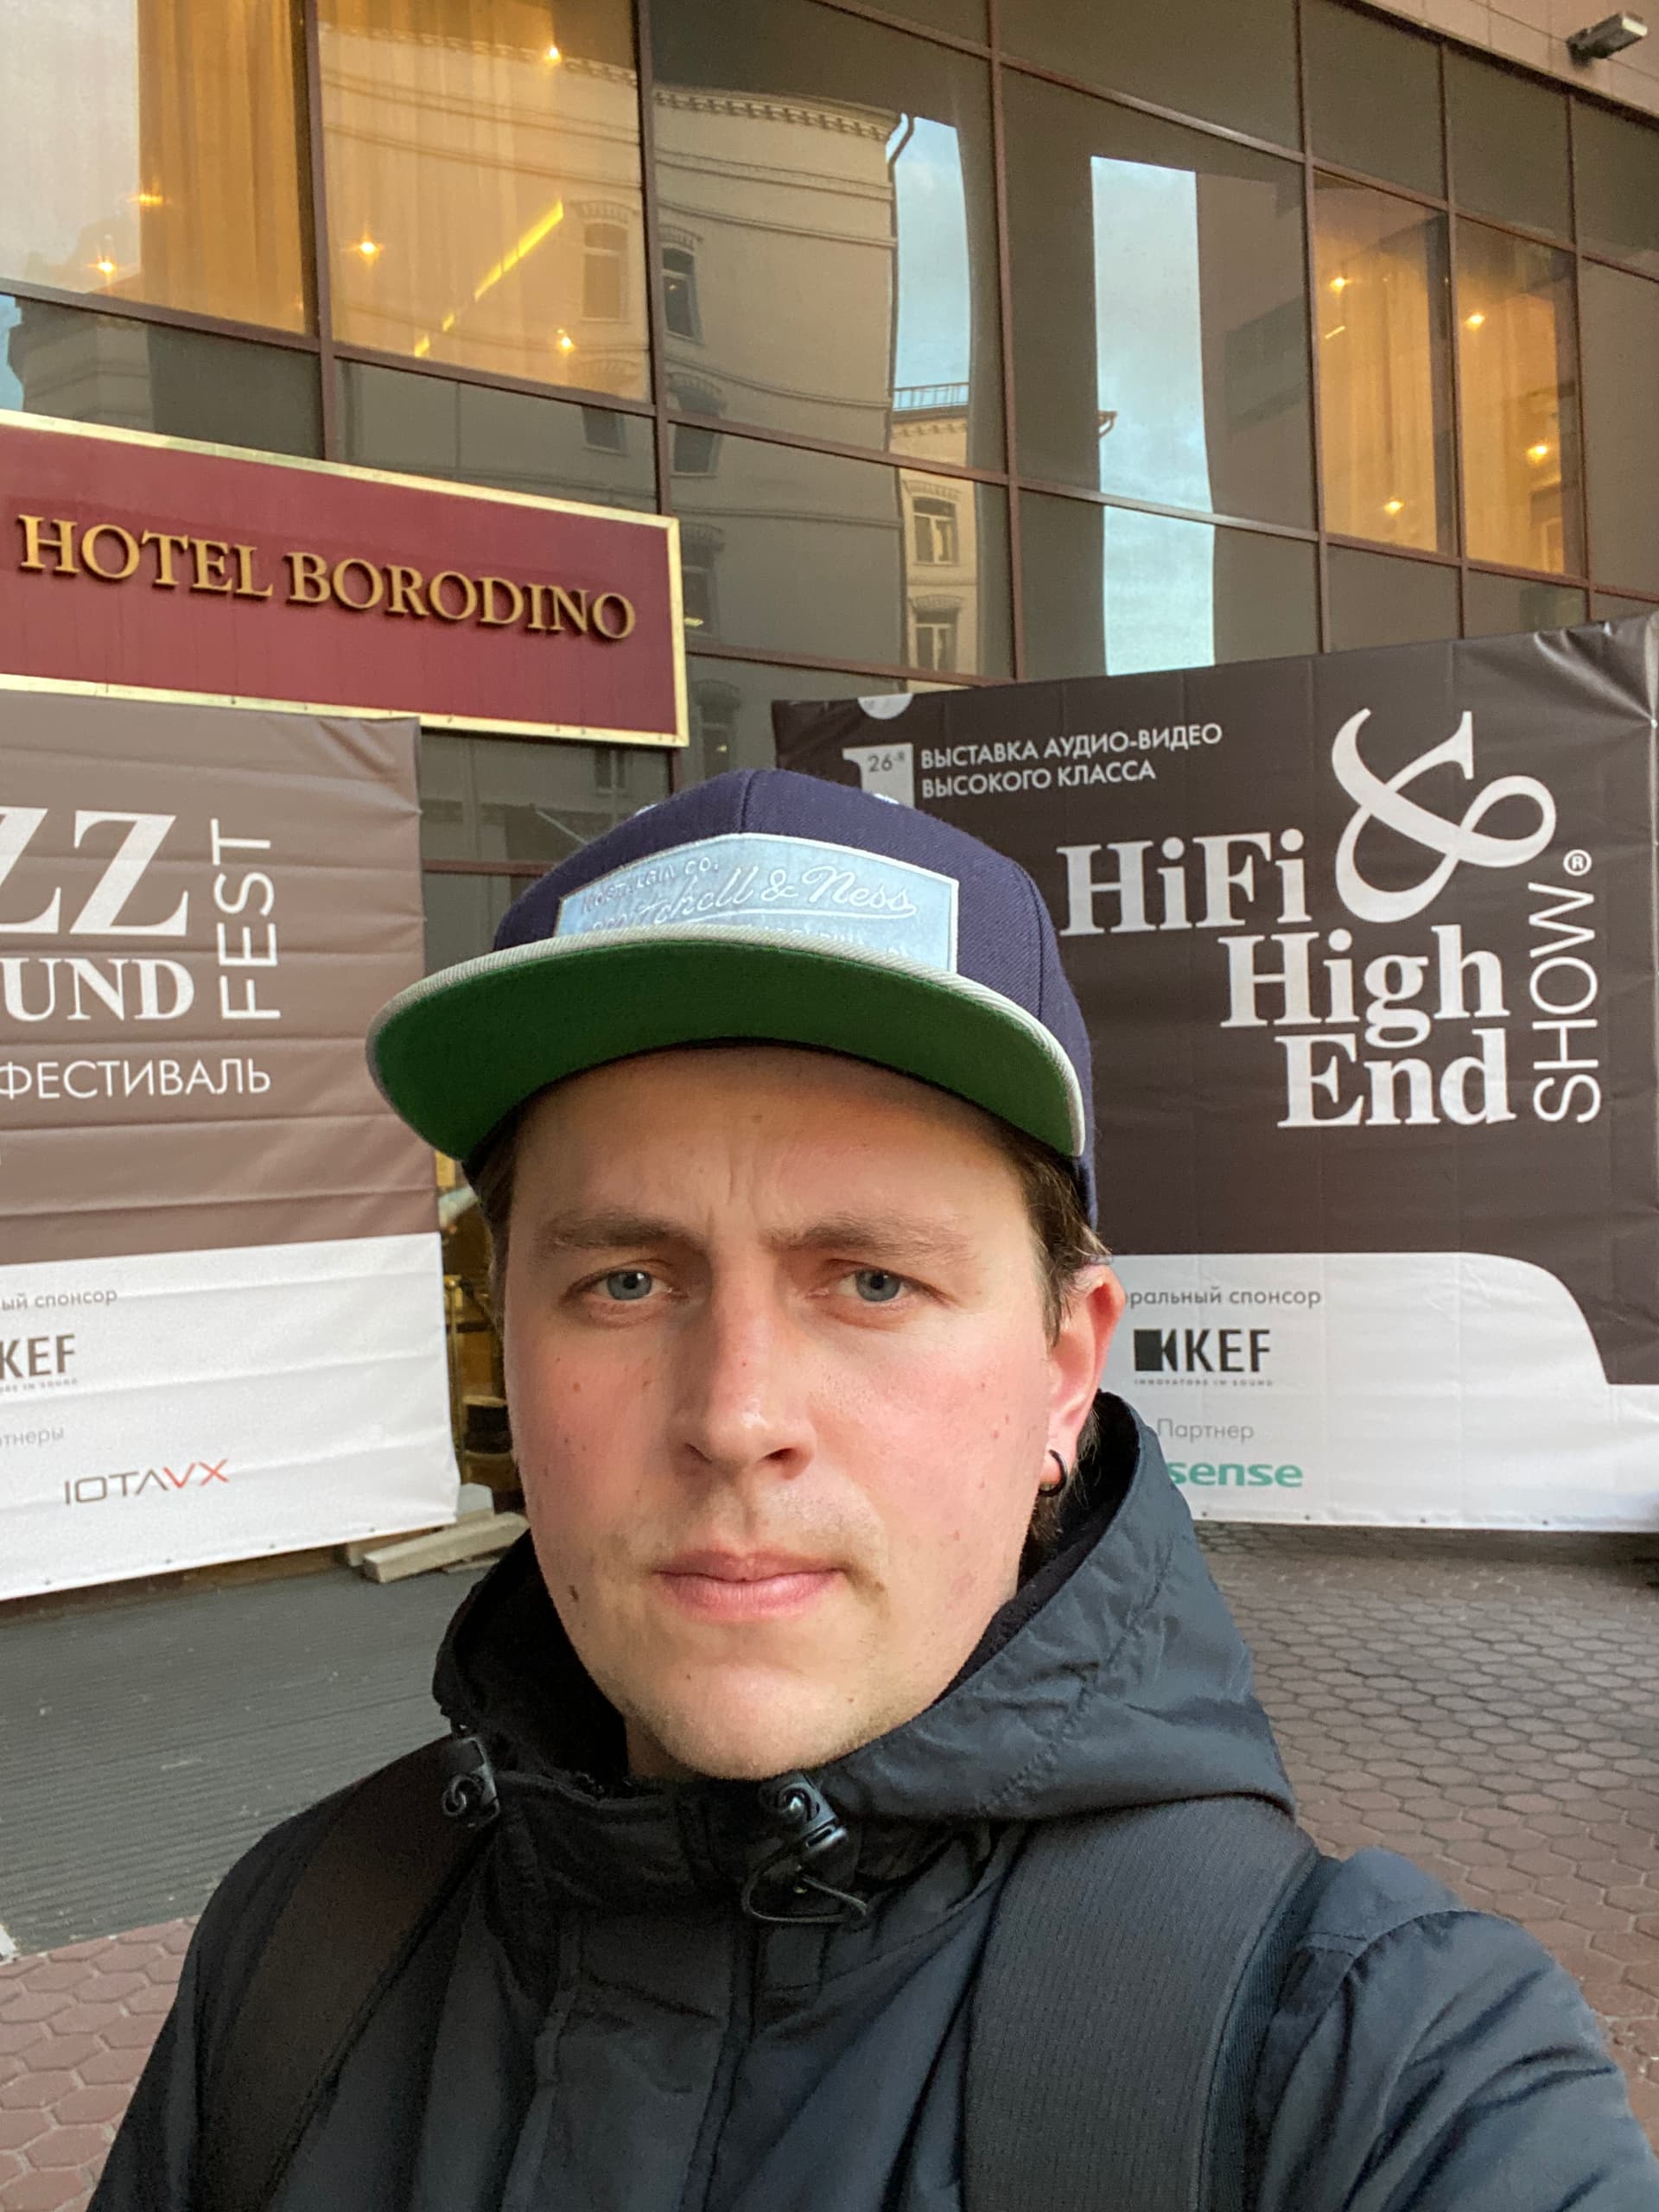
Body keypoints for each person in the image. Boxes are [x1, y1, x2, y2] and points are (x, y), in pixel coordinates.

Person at [92, 768, 1659, 2211]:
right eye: (627, 1280)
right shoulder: (301, 1953)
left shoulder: (1374, 2074)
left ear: (1065, 1368)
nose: (736, 1418)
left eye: (873, 1281)